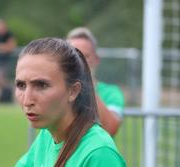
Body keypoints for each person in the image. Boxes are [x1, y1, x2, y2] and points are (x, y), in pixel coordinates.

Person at [14, 38, 126, 166]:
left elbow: (112, 126)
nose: (27, 101)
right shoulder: (47, 136)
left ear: (73, 91)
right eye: (21, 85)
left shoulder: (99, 154)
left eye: (41, 85)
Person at [67, 27, 125, 136]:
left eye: (85, 56)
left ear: (96, 60)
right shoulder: (59, 91)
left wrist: (87, 85)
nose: (79, 62)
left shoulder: (111, 93)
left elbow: (110, 129)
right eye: (73, 56)